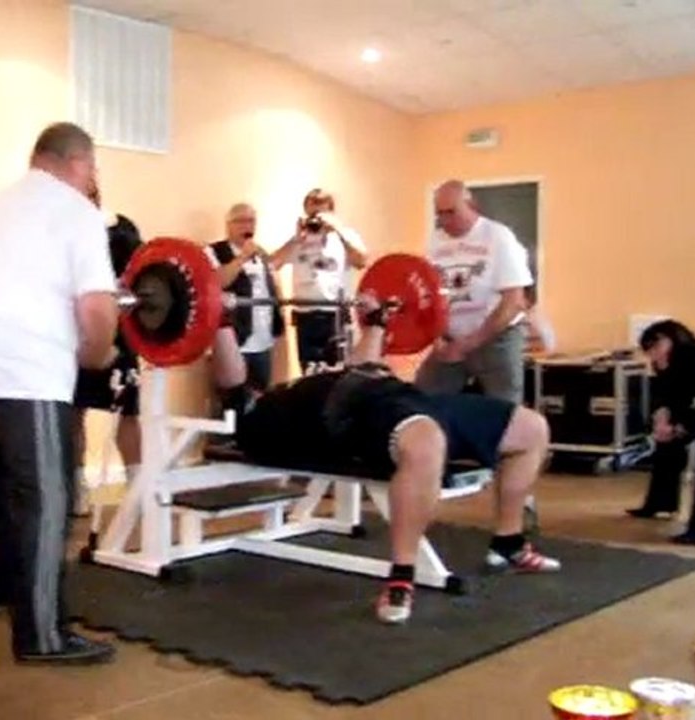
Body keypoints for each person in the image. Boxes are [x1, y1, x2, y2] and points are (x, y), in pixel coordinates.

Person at [211, 296, 560, 624]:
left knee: (531, 428)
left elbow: (364, 366)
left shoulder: (302, 384)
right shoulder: (255, 418)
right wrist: (219, 318)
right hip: (354, 416)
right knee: (426, 443)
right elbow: (231, 382)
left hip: (398, 393)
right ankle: (402, 577)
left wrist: (376, 322)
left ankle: (508, 543)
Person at [0, 122, 119, 665]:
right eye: (93, 170)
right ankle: (43, 634)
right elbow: (96, 308)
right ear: (81, 165)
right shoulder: (78, 210)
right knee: (45, 497)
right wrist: (96, 356)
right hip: (25, 366)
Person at [417, 180, 532, 404]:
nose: (445, 220)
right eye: (439, 214)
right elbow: (427, 294)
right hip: (450, 338)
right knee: (425, 398)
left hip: (496, 336)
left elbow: (514, 300)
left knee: (503, 409)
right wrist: (437, 337)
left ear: (471, 206)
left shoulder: (498, 237)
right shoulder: (435, 241)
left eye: (452, 212)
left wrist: (472, 342)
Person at [73, 180, 143, 504]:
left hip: (121, 329)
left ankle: (137, 483)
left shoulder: (122, 228)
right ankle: (77, 487)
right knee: (74, 411)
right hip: (78, 328)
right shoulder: (64, 230)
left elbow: (142, 273)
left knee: (129, 411)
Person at [269, 189, 367, 373]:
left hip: (334, 314)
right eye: (313, 213)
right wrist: (296, 240)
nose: (317, 219)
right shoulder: (299, 240)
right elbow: (271, 264)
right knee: (308, 372)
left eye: (322, 214)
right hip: (305, 314)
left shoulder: (344, 236)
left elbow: (361, 261)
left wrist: (337, 230)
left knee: (337, 371)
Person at [627, 320, 695, 545]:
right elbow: (666, 396)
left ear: (670, 340)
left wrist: (680, 427)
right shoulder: (666, 363)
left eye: (654, 347)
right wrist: (662, 419)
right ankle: (660, 502)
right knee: (666, 448)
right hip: (691, 413)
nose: (652, 355)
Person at [206, 203, 285, 392]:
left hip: (263, 343)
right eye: (241, 221)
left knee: (260, 401)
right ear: (228, 225)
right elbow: (217, 282)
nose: (247, 226)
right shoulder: (214, 251)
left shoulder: (259, 252)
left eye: (251, 221)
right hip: (234, 343)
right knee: (234, 403)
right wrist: (242, 258)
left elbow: (275, 268)